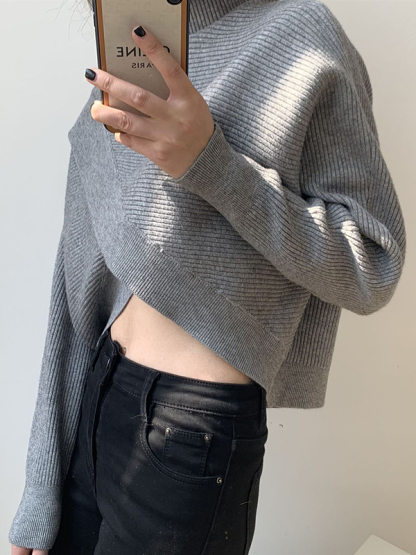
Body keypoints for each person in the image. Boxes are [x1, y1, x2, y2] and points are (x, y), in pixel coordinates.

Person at [9, 0, 407, 553]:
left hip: (189, 436)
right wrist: (40, 484)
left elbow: (372, 266)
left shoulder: (299, 36)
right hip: (95, 401)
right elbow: (74, 291)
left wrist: (211, 163)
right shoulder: (127, 59)